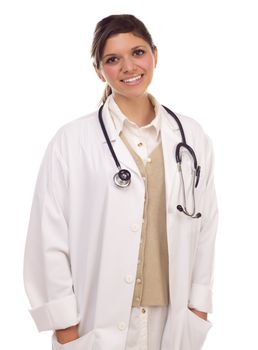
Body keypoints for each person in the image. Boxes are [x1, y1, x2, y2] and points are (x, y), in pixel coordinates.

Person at [23, 14, 218, 350]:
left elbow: (206, 227)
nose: (129, 67)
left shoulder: (191, 137)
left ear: (155, 55)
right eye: (113, 59)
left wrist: (198, 306)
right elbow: (48, 237)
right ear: (99, 70)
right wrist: (65, 327)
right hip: (94, 321)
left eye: (138, 53)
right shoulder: (71, 141)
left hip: (170, 318)